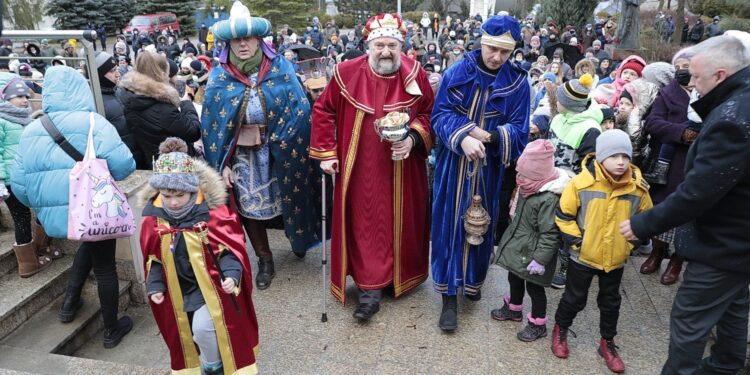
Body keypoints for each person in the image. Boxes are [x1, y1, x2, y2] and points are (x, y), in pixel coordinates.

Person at [621, 35, 750, 374]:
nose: (691, 84)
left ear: (720, 75)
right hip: (739, 244)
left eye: (696, 76)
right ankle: (725, 365)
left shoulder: (731, 118)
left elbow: (699, 192)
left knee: (690, 319)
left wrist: (641, 224)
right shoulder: (740, 101)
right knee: (735, 307)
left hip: (724, 242)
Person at [310, 13, 434, 321]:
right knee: (366, 225)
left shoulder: (415, 75)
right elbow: (323, 109)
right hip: (360, 169)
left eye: (392, 45)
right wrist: (327, 153)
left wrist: (414, 139)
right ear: (369, 45)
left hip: (403, 170)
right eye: (380, 45)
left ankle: (398, 277)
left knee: (402, 222)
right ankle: (369, 289)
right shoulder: (345, 72)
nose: (386, 52)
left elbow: (430, 114)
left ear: (401, 46)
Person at [11, 65, 136, 348]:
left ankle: (70, 303)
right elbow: (124, 164)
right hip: (92, 207)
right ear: (83, 90)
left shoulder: (32, 129)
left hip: (56, 215)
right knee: (105, 267)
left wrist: (43, 205)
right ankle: (111, 330)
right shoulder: (94, 123)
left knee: (88, 246)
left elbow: (19, 182)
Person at [201, 2, 323, 290]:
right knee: (249, 206)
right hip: (243, 155)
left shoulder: (280, 67)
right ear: (228, 43)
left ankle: (299, 239)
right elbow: (214, 127)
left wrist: (290, 137)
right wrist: (224, 164)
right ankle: (265, 259)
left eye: (248, 38)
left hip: (283, 146)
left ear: (258, 39)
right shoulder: (220, 76)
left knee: (291, 195)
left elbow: (300, 109)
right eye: (236, 40)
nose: (243, 44)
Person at [431, 15, 530, 332]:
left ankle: (472, 283)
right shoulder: (457, 72)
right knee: (449, 226)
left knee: (480, 225)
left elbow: (520, 130)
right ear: (482, 42)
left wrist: (486, 137)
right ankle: (448, 296)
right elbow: (440, 115)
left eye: (504, 51)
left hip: (488, 170)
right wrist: (463, 136)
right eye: (492, 49)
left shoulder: (518, 82)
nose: (497, 57)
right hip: (452, 167)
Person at [141, 138, 259, 375]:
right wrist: (155, 286)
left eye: (180, 195)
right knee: (187, 335)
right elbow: (153, 259)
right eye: (167, 195)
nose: (173, 202)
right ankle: (203, 364)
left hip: (210, 289)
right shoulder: (153, 219)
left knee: (203, 330)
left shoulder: (214, 216)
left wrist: (232, 276)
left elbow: (228, 250)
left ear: (193, 189)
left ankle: (212, 367)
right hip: (177, 291)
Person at [552, 129, 652, 373]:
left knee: (611, 303)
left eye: (625, 156)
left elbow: (647, 220)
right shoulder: (581, 183)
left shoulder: (637, 189)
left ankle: (607, 342)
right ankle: (560, 329)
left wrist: (628, 246)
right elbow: (564, 216)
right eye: (614, 156)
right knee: (574, 298)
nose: (621, 162)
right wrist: (578, 242)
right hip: (583, 256)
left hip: (615, 259)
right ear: (601, 157)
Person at [492, 139, 569, 342]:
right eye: (519, 173)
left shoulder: (548, 199)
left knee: (535, 288)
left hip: (535, 254)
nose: (519, 178)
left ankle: (538, 323)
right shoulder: (529, 187)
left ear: (537, 175)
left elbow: (550, 234)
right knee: (514, 277)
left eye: (523, 175)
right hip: (520, 246)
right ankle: (514, 308)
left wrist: (541, 260)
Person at [0, 74, 63, 278]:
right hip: (10, 180)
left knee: (43, 209)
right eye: (18, 96)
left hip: (30, 176)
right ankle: (27, 263)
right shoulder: (2, 120)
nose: (25, 100)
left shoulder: (24, 118)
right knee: (22, 217)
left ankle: (40, 247)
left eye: (26, 96)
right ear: (5, 98)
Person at [547, 74, 602, 288]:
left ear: (568, 103)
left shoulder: (590, 128)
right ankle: (548, 258)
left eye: (559, 100)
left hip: (573, 187)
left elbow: (591, 164)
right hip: (552, 181)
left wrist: (572, 180)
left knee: (568, 226)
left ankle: (566, 264)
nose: (556, 102)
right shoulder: (558, 119)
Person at [116, 50, 201, 169]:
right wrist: (186, 102)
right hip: (176, 167)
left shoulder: (129, 96)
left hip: (152, 162)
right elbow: (193, 132)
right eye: (168, 73)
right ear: (161, 74)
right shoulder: (163, 109)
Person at [94, 52, 139, 165]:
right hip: (119, 159)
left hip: (135, 152)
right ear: (99, 74)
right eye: (112, 71)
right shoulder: (95, 101)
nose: (118, 74)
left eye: (117, 69)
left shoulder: (119, 91)